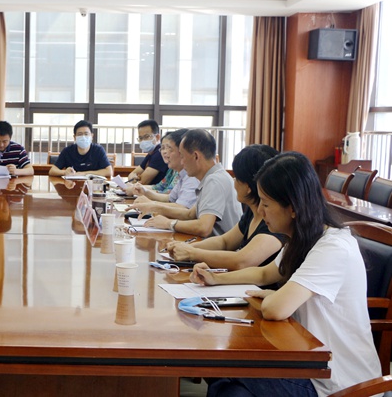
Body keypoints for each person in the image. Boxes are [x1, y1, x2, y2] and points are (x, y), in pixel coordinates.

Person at [191, 152, 381, 396]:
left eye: (266, 204)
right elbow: (265, 274)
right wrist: (216, 279)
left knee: (225, 364)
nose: (260, 211)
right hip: (305, 361)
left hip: (336, 380)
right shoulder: (302, 238)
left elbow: (275, 309)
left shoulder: (333, 247)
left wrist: (271, 298)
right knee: (227, 382)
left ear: (292, 208)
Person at [166, 144, 284, 270]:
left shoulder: (274, 221)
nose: (233, 181)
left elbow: (241, 261)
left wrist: (192, 253)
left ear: (249, 186)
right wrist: (186, 247)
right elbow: (225, 242)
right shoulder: (252, 212)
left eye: (237, 178)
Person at [142, 129, 241, 237]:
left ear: (196, 156)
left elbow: (204, 227)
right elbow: (189, 214)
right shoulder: (210, 177)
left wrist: (168, 223)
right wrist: (155, 207)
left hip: (218, 246)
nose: (182, 162)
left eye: (183, 156)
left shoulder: (214, 181)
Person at [127, 129, 199, 210]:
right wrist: (145, 192)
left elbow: (183, 208)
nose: (164, 152)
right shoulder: (181, 174)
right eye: (162, 148)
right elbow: (169, 199)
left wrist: (151, 204)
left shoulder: (192, 176)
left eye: (169, 148)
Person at [49, 120, 113, 177]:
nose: (83, 137)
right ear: (74, 137)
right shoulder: (67, 151)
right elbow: (52, 171)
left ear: (92, 136)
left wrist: (84, 173)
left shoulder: (98, 150)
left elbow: (109, 171)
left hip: (93, 185)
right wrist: (65, 172)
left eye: (86, 134)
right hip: (73, 185)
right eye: (80, 134)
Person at [127, 120, 169, 185]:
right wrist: (133, 177)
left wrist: (135, 179)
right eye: (140, 138)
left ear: (157, 137)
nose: (143, 141)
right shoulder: (151, 153)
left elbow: (143, 182)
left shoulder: (159, 153)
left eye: (147, 137)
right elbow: (131, 174)